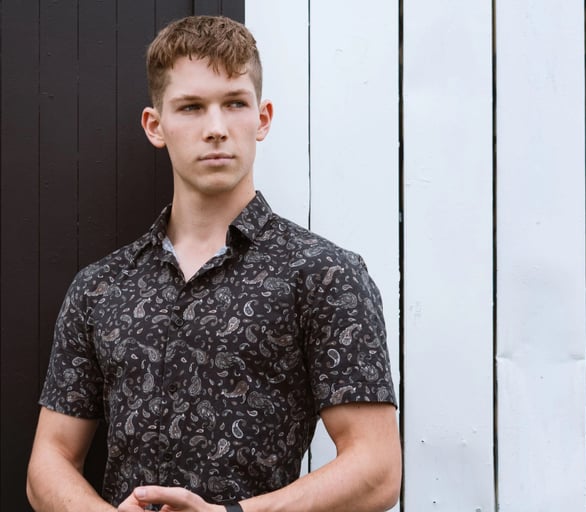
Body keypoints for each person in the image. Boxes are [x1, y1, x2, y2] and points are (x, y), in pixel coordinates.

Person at [26, 15, 401, 512]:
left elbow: (377, 469)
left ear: (262, 118)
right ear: (155, 125)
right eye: (191, 107)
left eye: (235, 104)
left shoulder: (324, 274)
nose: (217, 129)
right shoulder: (100, 287)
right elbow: (48, 461)